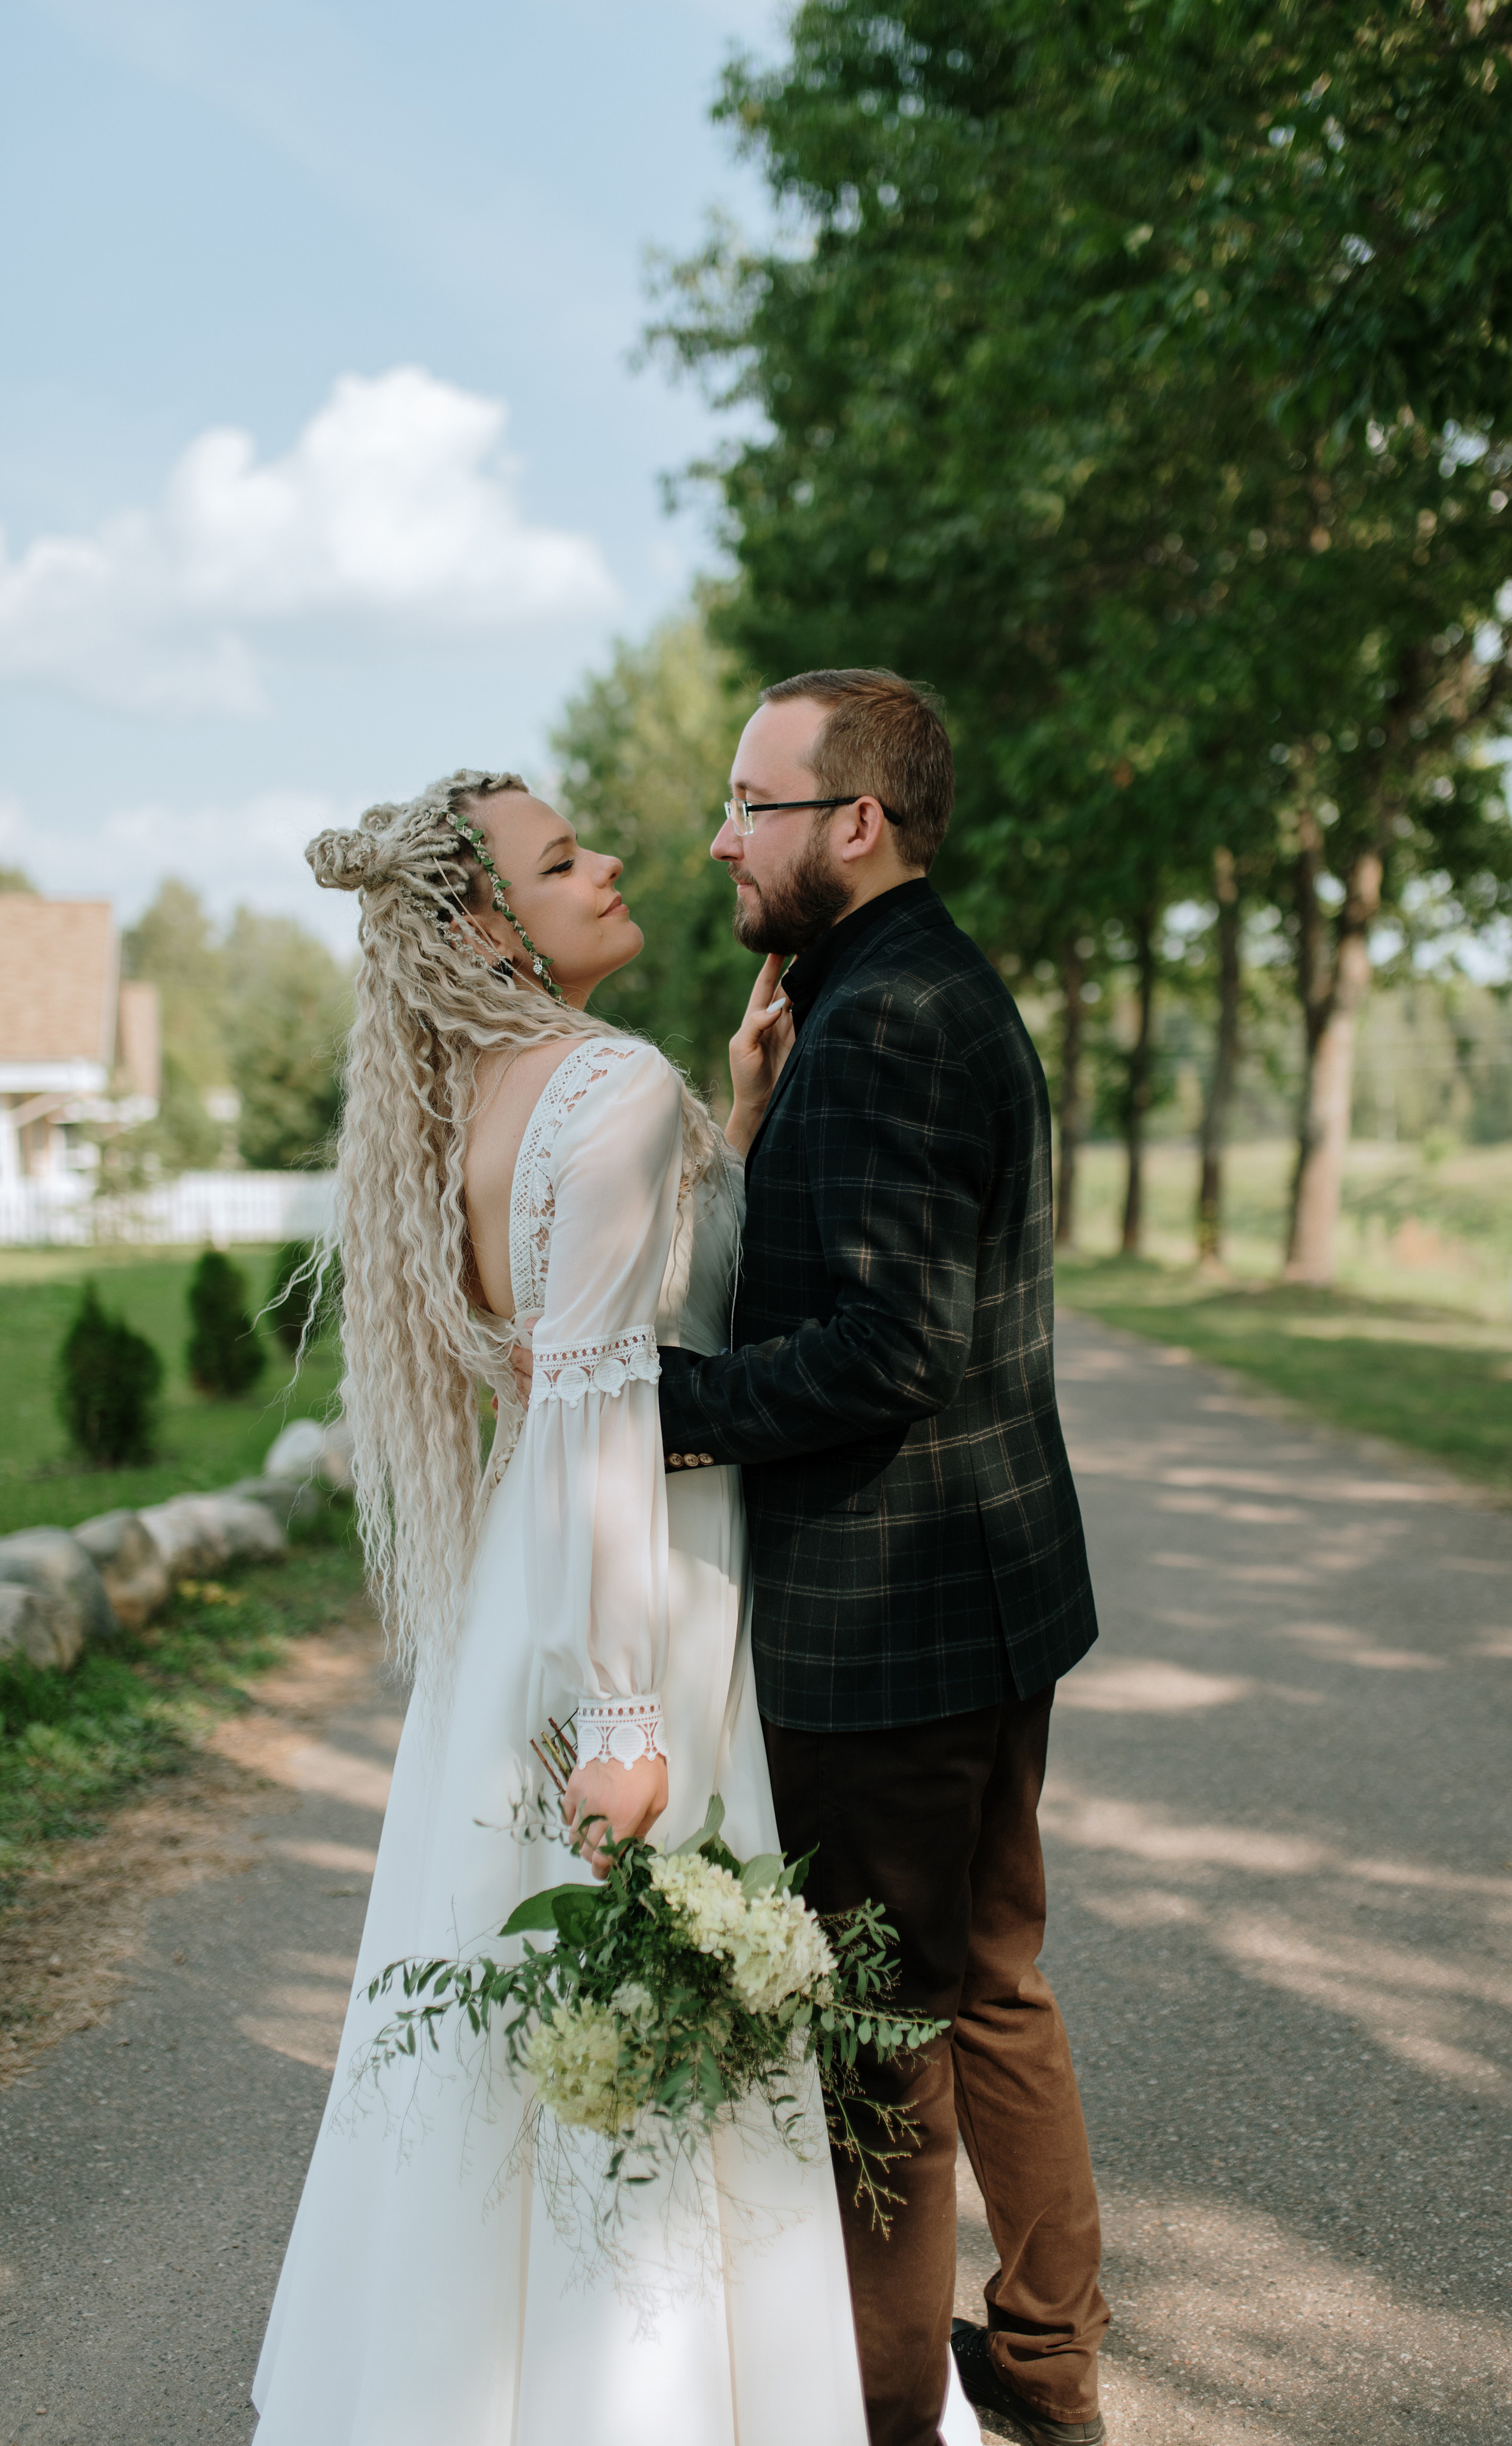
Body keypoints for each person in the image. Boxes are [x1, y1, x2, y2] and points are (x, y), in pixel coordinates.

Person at [251, 770, 974, 2445]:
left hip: (533, 1597)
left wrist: (731, 1119)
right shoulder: (610, 1086)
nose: (611, 867)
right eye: (564, 859)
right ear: (488, 926)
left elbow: (589, 1341)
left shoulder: (476, 1105)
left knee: (505, 2017)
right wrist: (631, 1719)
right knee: (630, 2008)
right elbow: (603, 1418)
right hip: (629, 1587)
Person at [653, 672, 1112, 2446]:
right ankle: (1050, 2363)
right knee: (991, 1982)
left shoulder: (892, 1017)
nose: (721, 838)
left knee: (884, 2040)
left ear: (854, 819)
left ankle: (891, 2418)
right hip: (982, 1607)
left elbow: (886, 1350)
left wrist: (656, 1400)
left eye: (750, 804)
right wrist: (752, 1114)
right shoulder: (891, 994)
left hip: (893, 1632)